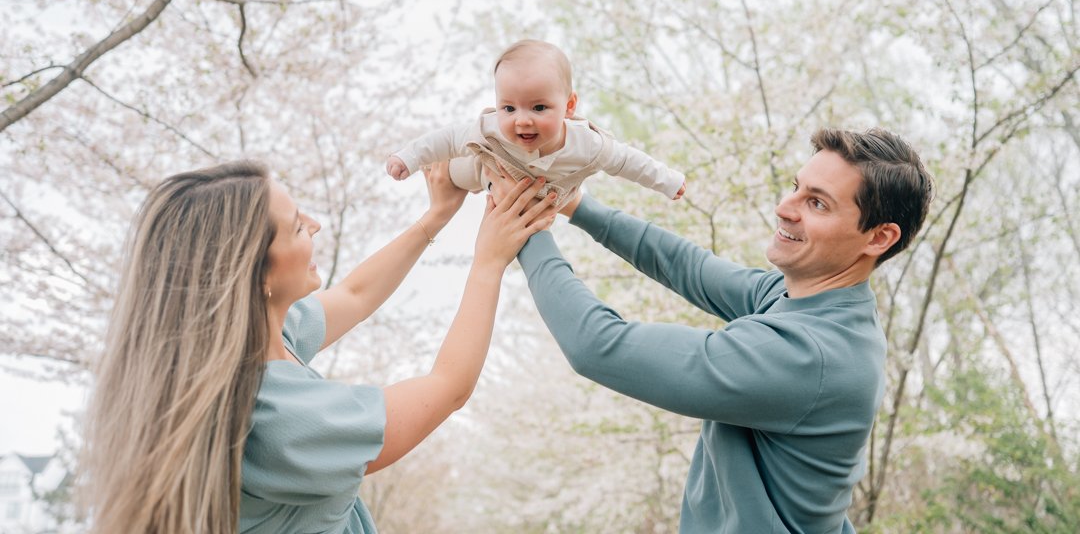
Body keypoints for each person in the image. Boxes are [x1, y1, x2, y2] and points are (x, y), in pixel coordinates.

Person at [493, 127, 933, 533]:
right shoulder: (813, 304)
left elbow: (599, 346)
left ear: (878, 238)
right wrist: (574, 203)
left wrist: (523, 227)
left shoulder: (807, 353)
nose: (785, 208)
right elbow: (690, 267)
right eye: (796, 188)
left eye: (816, 203)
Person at [79, 160, 556, 534]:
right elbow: (448, 387)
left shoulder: (251, 350)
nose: (316, 225)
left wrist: (435, 217)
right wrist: (489, 261)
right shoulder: (277, 416)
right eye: (295, 226)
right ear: (255, 272)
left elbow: (356, 294)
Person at [386, 39, 686, 209]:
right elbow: (448, 139)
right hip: (485, 166)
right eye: (509, 108)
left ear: (569, 106)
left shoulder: (588, 146)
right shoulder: (490, 130)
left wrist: (667, 181)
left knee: (541, 211)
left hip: (548, 188)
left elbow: (627, 161)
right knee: (456, 170)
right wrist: (410, 157)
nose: (522, 120)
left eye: (539, 107)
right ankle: (446, 174)